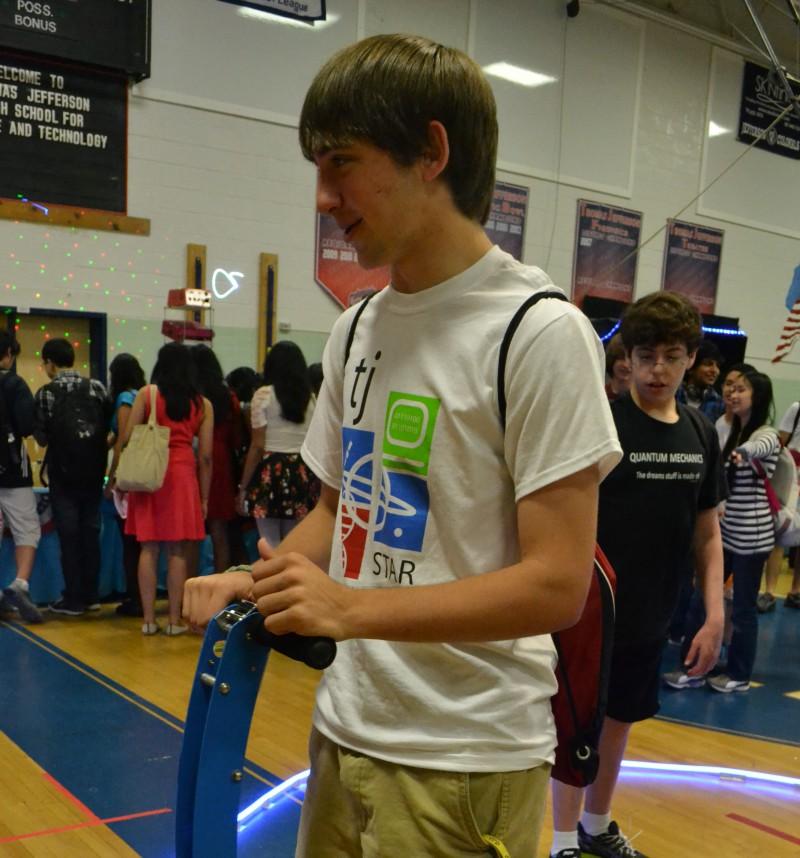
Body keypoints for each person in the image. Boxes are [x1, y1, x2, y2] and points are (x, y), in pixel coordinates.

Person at [184, 33, 621, 858]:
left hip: (465, 757)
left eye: (341, 162)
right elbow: (338, 510)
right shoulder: (357, 327)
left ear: (431, 151)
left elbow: (558, 586)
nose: (322, 196)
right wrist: (261, 576)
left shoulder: (538, 332)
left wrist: (350, 609)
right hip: (347, 731)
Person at [552, 292, 724, 858]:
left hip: (654, 612)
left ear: (691, 358)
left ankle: (596, 828)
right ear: (627, 358)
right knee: (575, 727)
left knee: (621, 722)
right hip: (588, 613)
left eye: (671, 356)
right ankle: (560, 844)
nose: (656, 369)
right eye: (646, 355)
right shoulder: (601, 426)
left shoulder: (700, 433)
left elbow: (708, 532)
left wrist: (715, 613)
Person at [671, 370, 779, 694]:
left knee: (744, 610)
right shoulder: (724, 426)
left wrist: (743, 453)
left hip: (753, 537)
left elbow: (761, 447)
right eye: (730, 388)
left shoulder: (765, 433)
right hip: (726, 532)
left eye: (741, 389)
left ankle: (739, 675)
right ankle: (693, 667)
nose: (732, 393)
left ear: (755, 397)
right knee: (703, 601)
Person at [123, 343, 213, 636]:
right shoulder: (202, 404)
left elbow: (127, 438)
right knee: (177, 551)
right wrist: (204, 497)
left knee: (148, 548)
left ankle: (149, 619)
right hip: (183, 476)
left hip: (150, 474)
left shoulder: (147, 394)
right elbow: (207, 456)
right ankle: (175, 620)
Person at [34, 338, 110, 617]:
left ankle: (73, 598)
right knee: (91, 532)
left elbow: (41, 437)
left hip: (63, 475)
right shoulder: (97, 388)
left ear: (50, 363)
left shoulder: (46, 393)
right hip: (93, 473)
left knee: (69, 535)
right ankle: (92, 596)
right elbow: (107, 426)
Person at [236, 341, 318, 546]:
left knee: (269, 542)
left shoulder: (263, 395)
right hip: (302, 469)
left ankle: (269, 577)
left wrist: (243, 486)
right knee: (294, 543)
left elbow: (257, 446)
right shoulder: (311, 398)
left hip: (270, 469)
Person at [0, 331, 43, 623]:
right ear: (8, 353)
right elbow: (28, 424)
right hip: (14, 467)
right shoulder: (14, 384)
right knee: (26, 528)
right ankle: (20, 584)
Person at [192, 345, 241, 572]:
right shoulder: (228, 396)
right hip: (222, 462)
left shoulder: (193, 398)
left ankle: (188, 587)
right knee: (220, 530)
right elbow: (237, 436)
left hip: (194, 459)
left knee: (191, 532)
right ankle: (221, 581)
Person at [105, 353, 146, 617]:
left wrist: (112, 478)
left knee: (130, 542)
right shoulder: (144, 395)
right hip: (144, 476)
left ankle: (136, 597)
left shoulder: (125, 399)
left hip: (129, 478)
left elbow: (123, 440)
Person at [757, 397, 800, 613]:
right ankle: (770, 591)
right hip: (792, 474)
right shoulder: (796, 408)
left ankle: (796, 591)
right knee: (780, 531)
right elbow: (781, 443)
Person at [677, 339, 724, 420]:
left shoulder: (720, 404)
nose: (715, 371)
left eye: (717, 366)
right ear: (691, 367)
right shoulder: (673, 395)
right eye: (708, 364)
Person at [604, 334, 631, 401]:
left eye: (631, 359)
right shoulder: (601, 394)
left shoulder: (644, 398)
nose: (626, 365)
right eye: (621, 358)